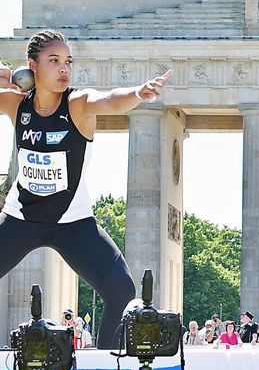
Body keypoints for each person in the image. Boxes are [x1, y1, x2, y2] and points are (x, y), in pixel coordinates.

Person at [0, 30, 172, 349]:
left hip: (73, 225)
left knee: (122, 290)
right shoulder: (16, 104)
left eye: (68, 61)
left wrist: (138, 92)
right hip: (20, 221)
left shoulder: (77, 104)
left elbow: (108, 100)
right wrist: (8, 75)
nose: (64, 68)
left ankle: (104, 368)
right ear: (32, 66)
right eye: (53, 61)